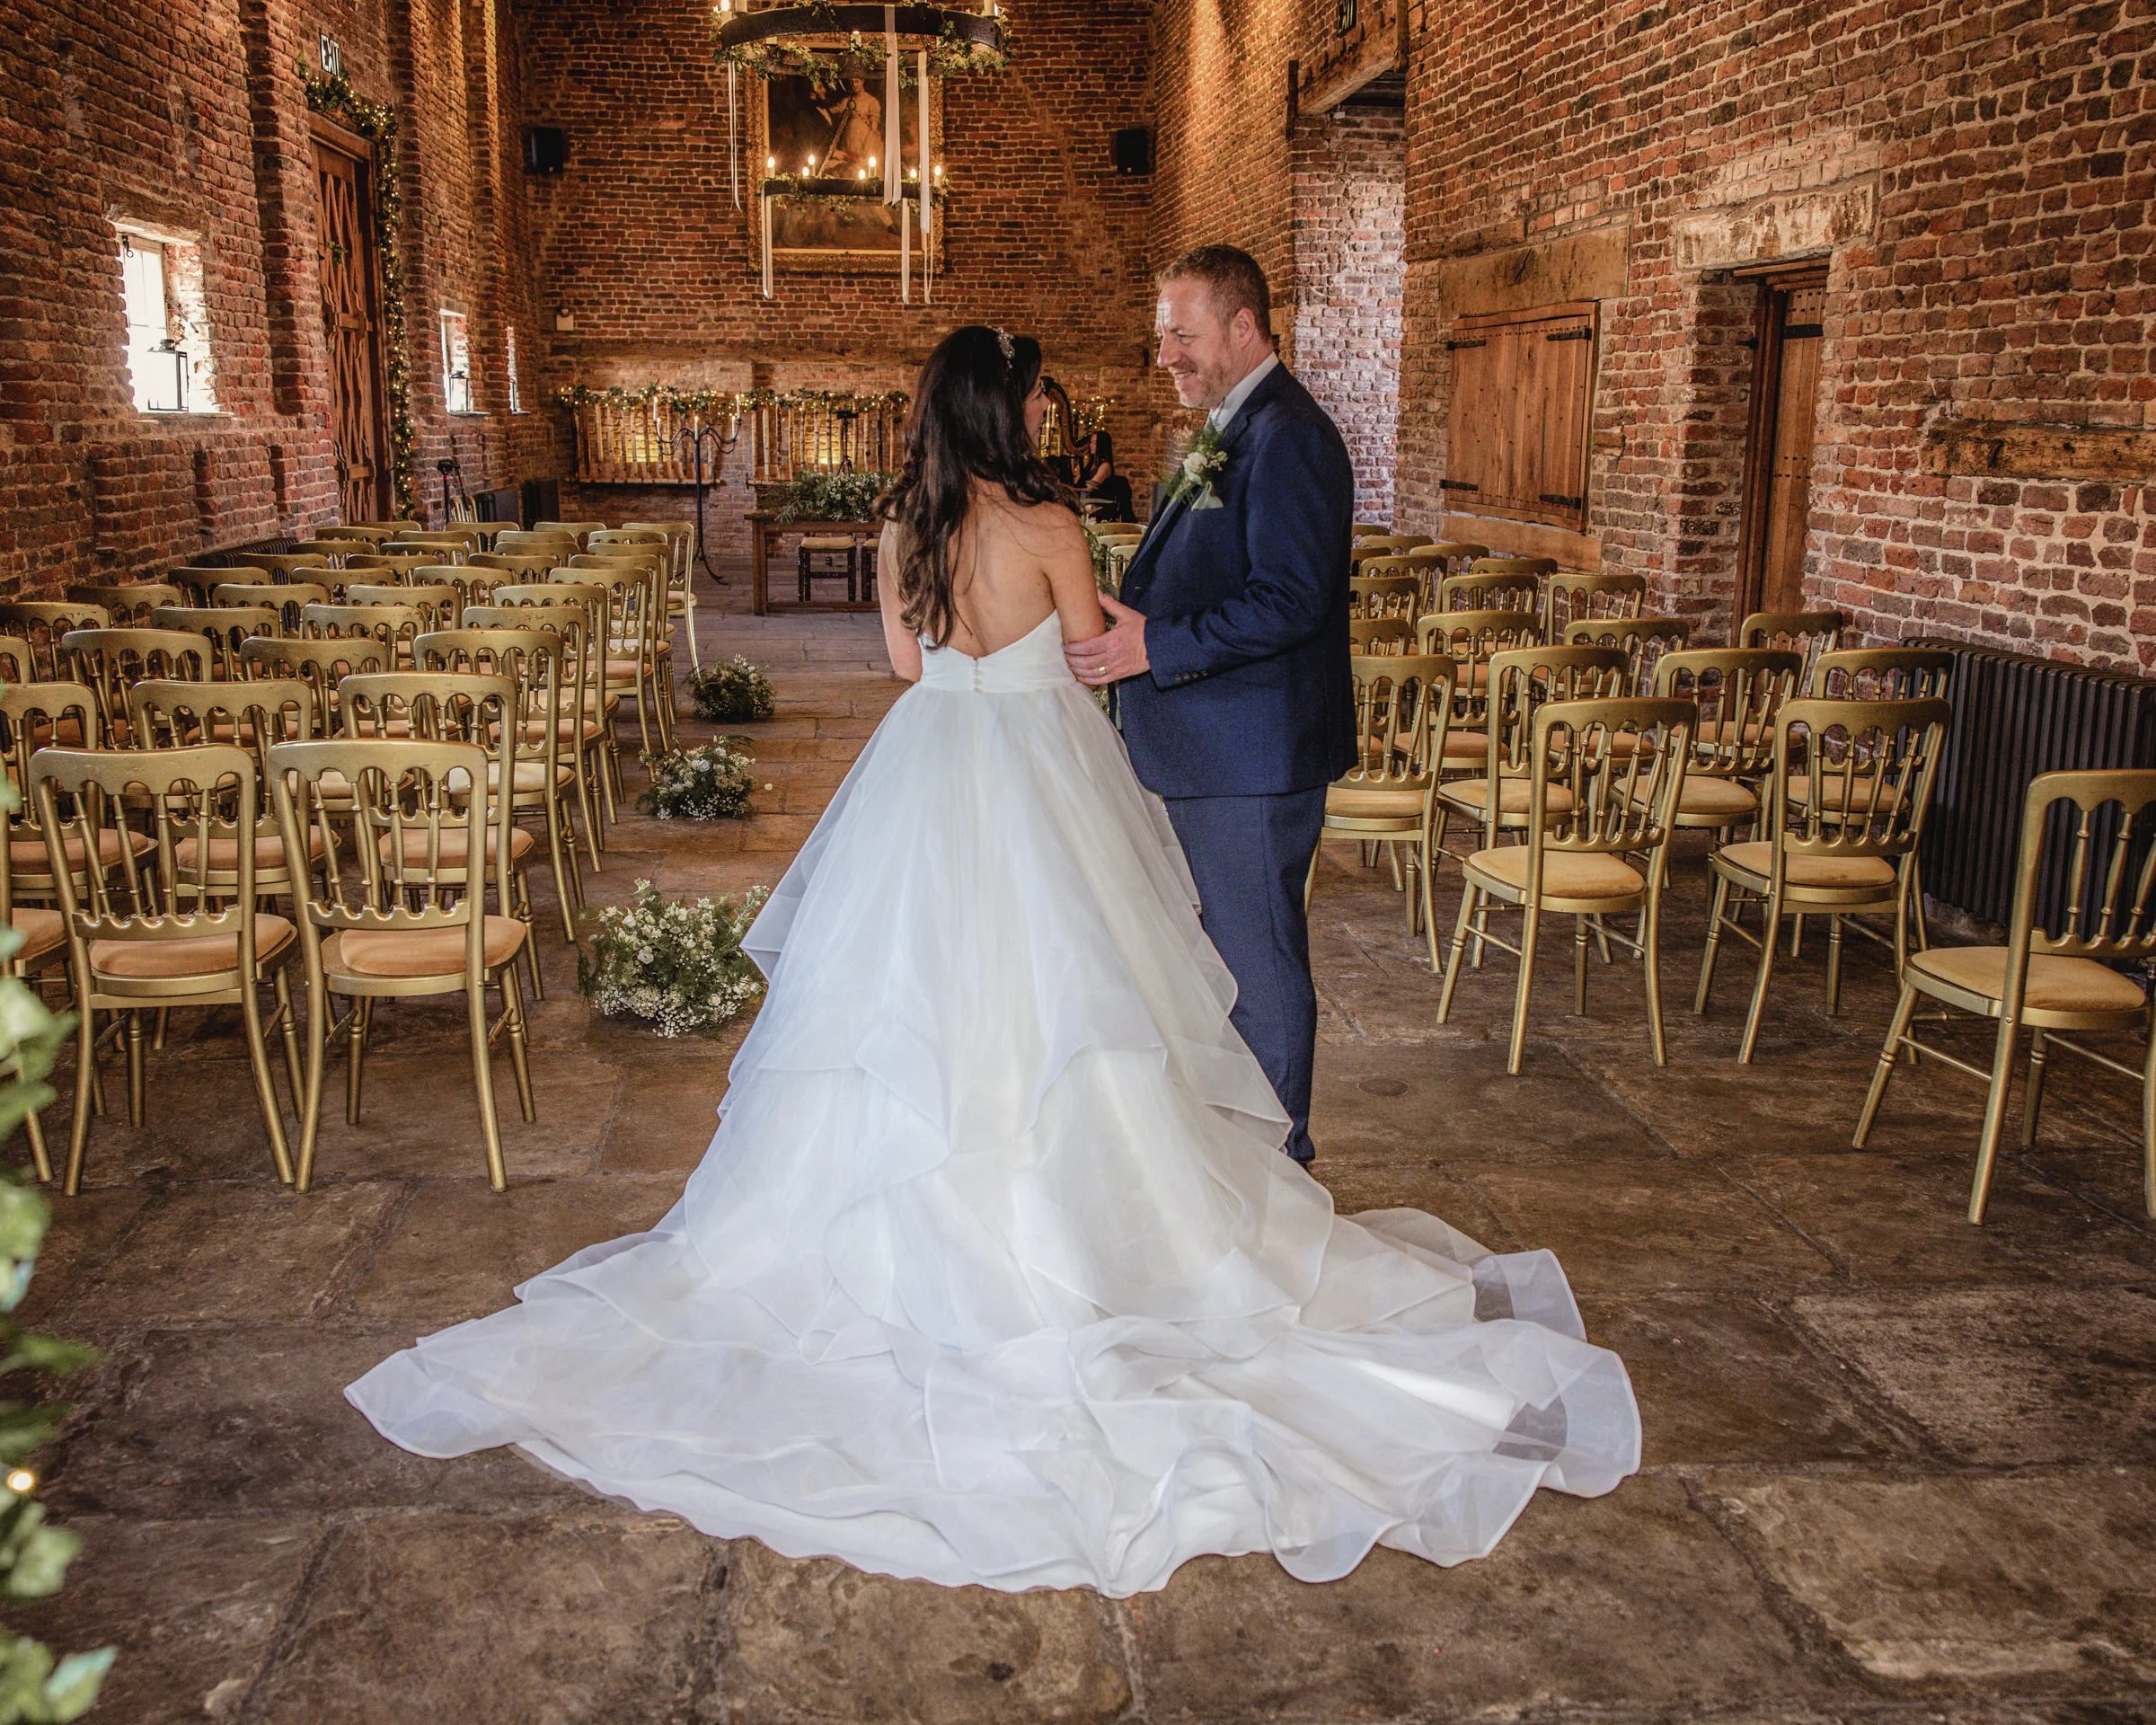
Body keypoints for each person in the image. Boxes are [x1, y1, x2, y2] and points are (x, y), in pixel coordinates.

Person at [347, 323, 1639, 1597]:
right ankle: (1092, 1227)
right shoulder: (1049, 522)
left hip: (924, 771)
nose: (1039, 420)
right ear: (1003, 412)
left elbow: (904, 663)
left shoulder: (905, 527)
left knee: (904, 1003)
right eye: (1030, 404)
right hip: (1039, 771)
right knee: (1079, 1002)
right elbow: (1086, 653)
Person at [1068, 244, 1346, 1168]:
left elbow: (1294, 598)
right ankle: (1234, 1148)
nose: (1166, 356)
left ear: (1243, 325)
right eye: (1161, 336)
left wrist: (1157, 644)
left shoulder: (1288, 434)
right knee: (1223, 955)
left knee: (1258, 960)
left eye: (1181, 335)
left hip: (1249, 755)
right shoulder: (1236, 423)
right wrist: (1145, 616)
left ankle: (1279, 1166)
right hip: (1212, 744)